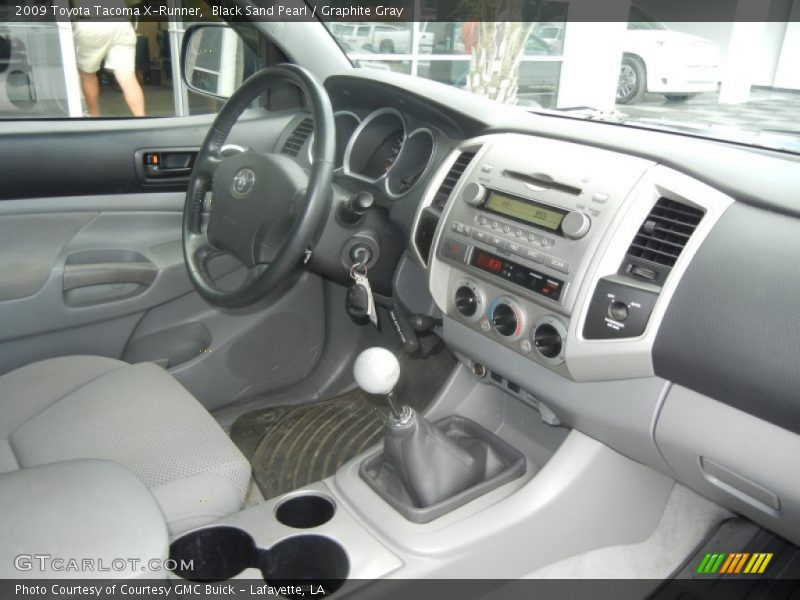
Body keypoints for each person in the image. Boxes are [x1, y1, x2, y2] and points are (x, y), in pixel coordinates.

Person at [72, 7, 145, 117]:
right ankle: (142, 119)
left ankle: (94, 118)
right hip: (120, 23)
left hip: (90, 22)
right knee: (127, 78)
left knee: (88, 75)